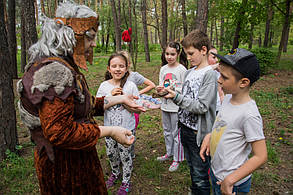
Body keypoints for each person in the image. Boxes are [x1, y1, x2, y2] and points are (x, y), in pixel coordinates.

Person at [17, 2, 144, 194]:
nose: (93, 44)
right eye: (90, 37)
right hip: (65, 169)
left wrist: (120, 99)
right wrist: (109, 131)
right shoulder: (53, 72)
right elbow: (59, 132)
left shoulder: (63, 64)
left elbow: (80, 105)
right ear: (71, 35)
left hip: (77, 161)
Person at [200, 48, 267, 195]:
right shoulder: (228, 98)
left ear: (243, 82)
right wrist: (210, 136)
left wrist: (230, 180)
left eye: (224, 77)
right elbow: (223, 125)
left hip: (233, 183)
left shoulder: (249, 115)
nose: (219, 79)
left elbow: (261, 155)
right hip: (217, 173)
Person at [163, 30, 218, 194]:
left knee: (201, 173)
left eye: (191, 53)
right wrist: (169, 92)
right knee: (193, 168)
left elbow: (202, 106)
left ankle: (199, 190)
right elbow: (186, 96)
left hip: (198, 133)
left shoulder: (209, 75)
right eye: (186, 54)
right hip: (185, 128)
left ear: (203, 50)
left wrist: (177, 97)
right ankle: (195, 189)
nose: (188, 58)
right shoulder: (190, 72)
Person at [96, 53, 139, 194]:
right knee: (111, 154)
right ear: (109, 68)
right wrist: (111, 97)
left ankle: (126, 181)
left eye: (121, 66)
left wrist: (123, 99)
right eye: (114, 66)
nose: (118, 69)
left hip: (126, 129)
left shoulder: (131, 85)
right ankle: (115, 173)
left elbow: (136, 108)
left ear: (126, 69)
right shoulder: (104, 86)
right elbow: (97, 107)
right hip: (109, 130)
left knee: (125, 156)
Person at [117, 50, 156, 158]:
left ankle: (130, 153)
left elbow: (151, 85)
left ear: (128, 64)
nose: (119, 67)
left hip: (132, 109)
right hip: (118, 110)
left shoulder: (134, 76)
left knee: (130, 131)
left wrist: (138, 93)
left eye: (123, 63)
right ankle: (120, 154)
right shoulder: (115, 75)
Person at [155, 41, 187, 172]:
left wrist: (173, 91)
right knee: (167, 130)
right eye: (167, 54)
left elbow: (184, 89)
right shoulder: (163, 69)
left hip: (176, 107)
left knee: (176, 133)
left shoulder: (182, 70)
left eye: (172, 54)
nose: (169, 57)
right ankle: (169, 153)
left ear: (178, 54)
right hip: (165, 106)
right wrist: (159, 89)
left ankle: (177, 158)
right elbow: (161, 85)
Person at [208, 46, 225, 113]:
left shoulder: (217, 73)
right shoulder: (198, 72)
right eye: (214, 57)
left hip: (217, 108)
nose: (217, 60)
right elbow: (202, 71)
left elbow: (221, 93)